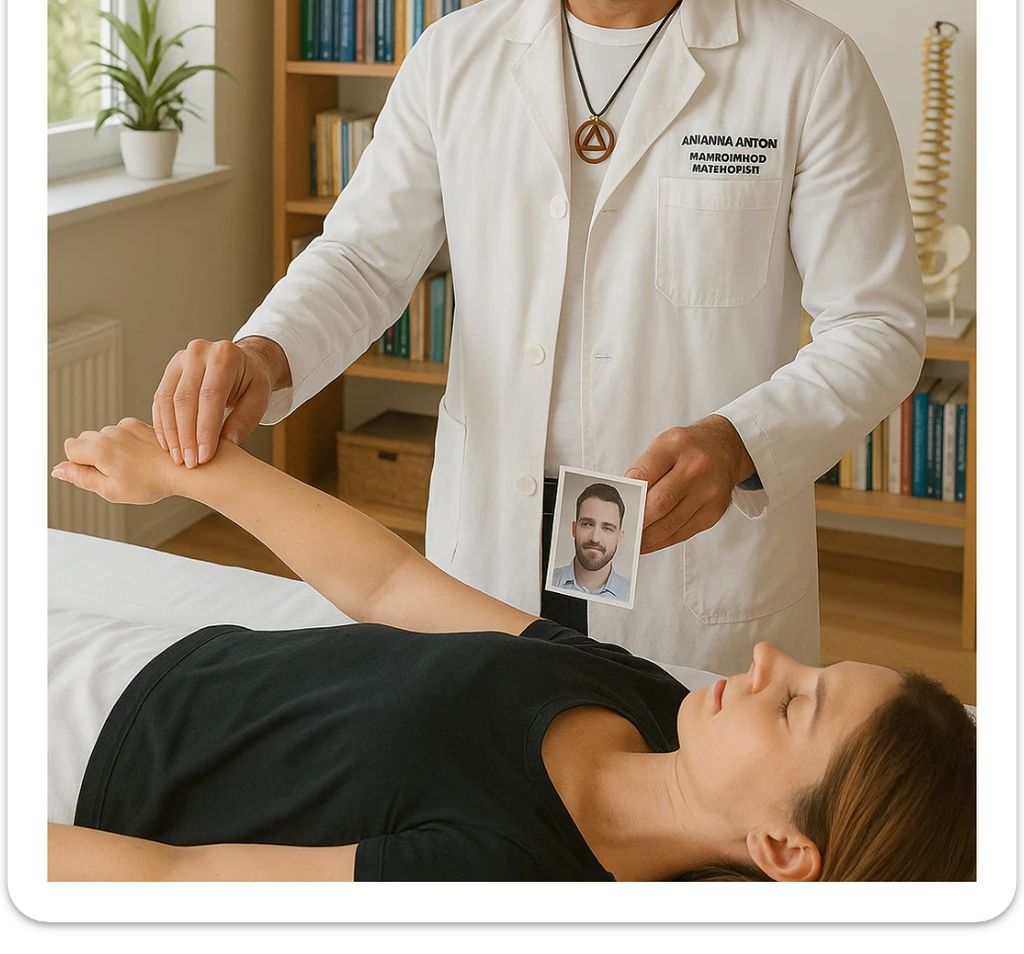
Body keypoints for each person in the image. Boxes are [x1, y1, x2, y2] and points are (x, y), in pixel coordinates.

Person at [151, 0, 926, 676]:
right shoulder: (456, 58)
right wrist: (264, 355)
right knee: (492, 797)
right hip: (497, 544)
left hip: (684, 565)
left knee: (681, 805)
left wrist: (738, 443)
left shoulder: (805, 70)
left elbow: (878, 328)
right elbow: (362, 255)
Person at [48, 420, 975, 883]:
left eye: (793, 704)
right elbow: (391, 587)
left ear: (781, 846)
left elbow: (179, 878)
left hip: (82, 754)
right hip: (172, 655)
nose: (768, 661)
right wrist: (188, 472)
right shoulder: (648, 705)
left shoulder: (501, 873)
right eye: (810, 671)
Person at [551, 482, 631, 600]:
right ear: (574, 529)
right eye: (588, 524)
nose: (595, 538)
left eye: (607, 528)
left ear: (619, 537)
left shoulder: (628, 594)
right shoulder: (550, 580)